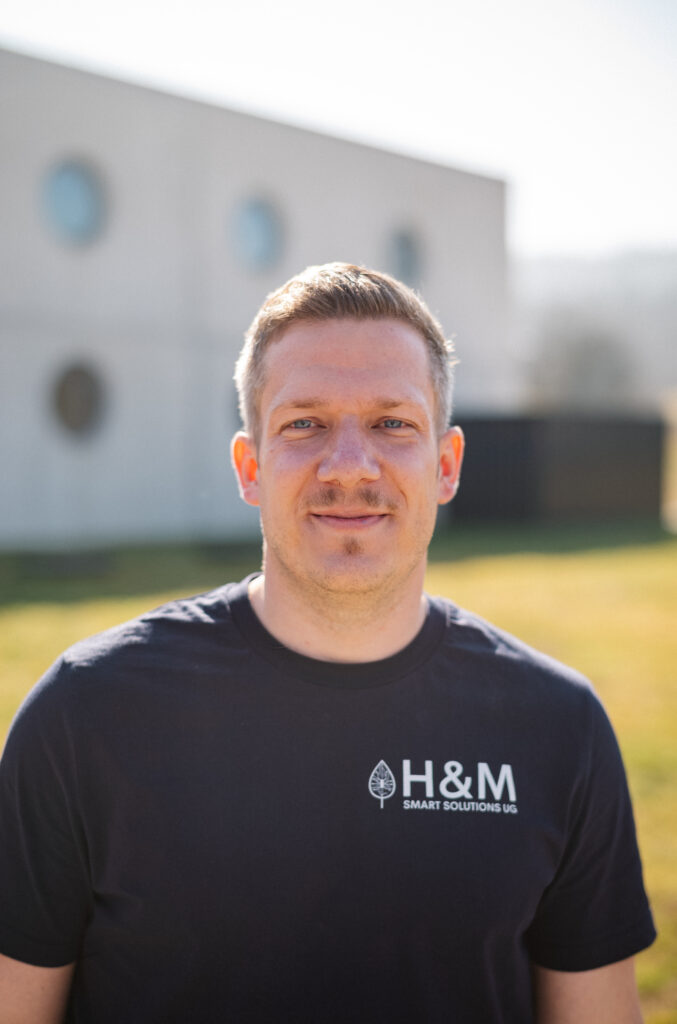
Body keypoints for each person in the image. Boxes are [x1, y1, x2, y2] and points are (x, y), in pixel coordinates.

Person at [0, 262, 655, 1023]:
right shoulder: (87, 714)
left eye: (391, 423)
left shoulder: (557, 727)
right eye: (304, 423)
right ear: (250, 467)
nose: (348, 466)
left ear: (445, 466)